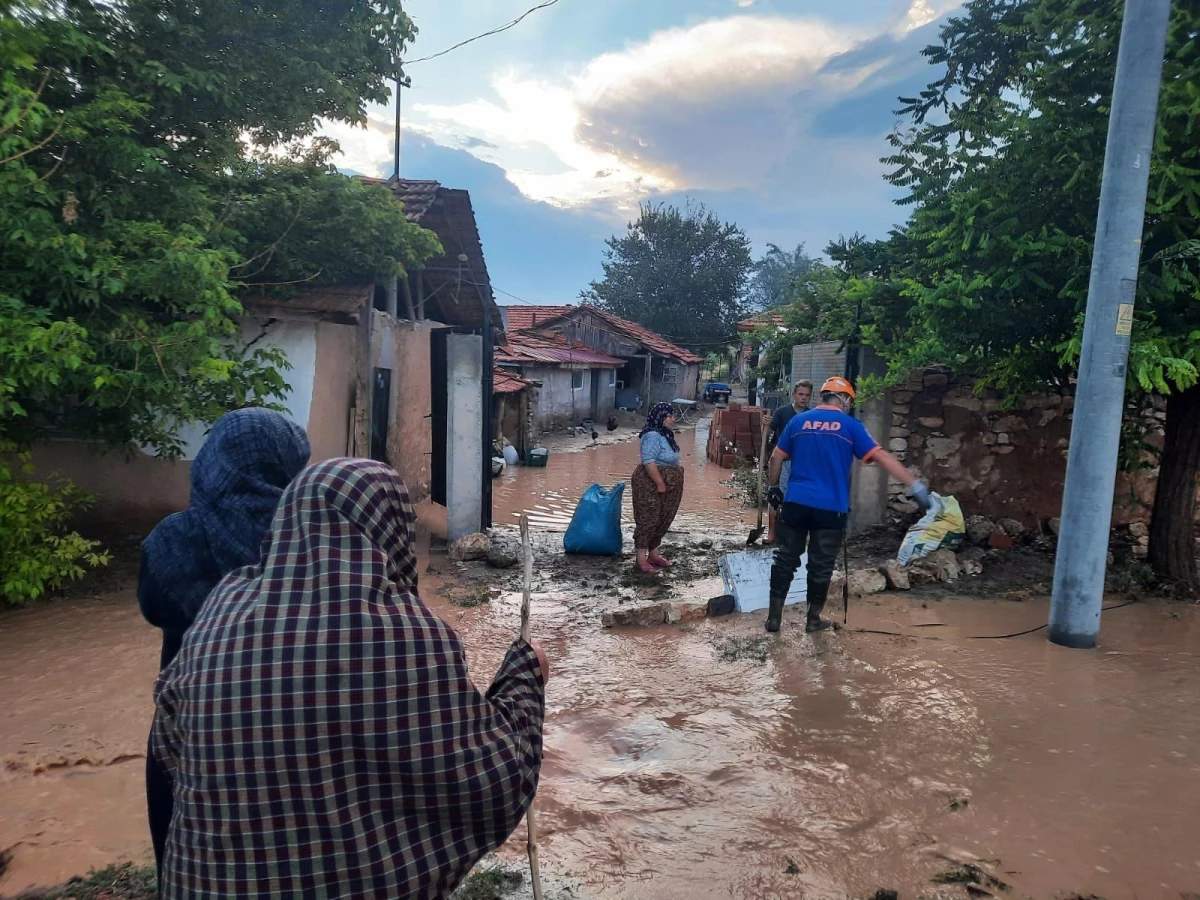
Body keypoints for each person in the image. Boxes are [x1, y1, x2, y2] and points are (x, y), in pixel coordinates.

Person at [150, 459, 548, 900]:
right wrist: (526, 675)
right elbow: (489, 778)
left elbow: (170, 744)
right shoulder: (408, 637)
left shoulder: (220, 613)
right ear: (389, 531)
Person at [137, 408, 310, 885]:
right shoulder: (314, 539)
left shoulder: (177, 538)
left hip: (190, 726)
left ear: (211, 462)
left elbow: (153, 607)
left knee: (186, 854)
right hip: (296, 730)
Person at [765, 376, 931, 634]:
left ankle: (774, 619)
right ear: (844, 399)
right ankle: (812, 620)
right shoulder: (850, 426)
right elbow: (881, 456)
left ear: (823, 396)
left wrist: (774, 488)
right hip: (831, 509)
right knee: (820, 566)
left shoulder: (798, 421)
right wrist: (914, 484)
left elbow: (776, 457)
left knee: (785, 559)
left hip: (796, 502)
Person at [632, 401, 685, 573]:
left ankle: (653, 554)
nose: (673, 419)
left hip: (667, 485)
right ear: (661, 417)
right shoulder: (652, 435)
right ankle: (640, 559)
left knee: (663, 517)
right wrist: (660, 483)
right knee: (649, 518)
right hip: (650, 484)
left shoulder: (665, 434)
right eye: (669, 416)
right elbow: (648, 461)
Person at [764, 380, 813, 545]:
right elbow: (768, 433)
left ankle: (797, 534)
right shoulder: (782, 412)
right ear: (794, 394)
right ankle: (772, 532)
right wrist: (764, 426)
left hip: (803, 463)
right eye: (801, 394)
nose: (803, 398)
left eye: (807, 395)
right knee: (775, 495)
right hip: (782, 461)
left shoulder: (812, 416)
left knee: (801, 499)